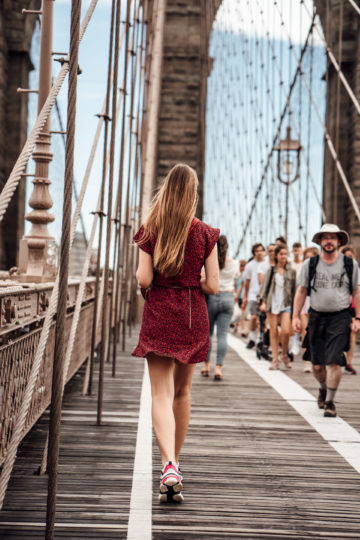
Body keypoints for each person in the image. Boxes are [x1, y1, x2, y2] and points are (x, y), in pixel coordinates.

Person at [132, 163, 220, 502]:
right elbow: (212, 285)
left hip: (159, 312)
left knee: (160, 395)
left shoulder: (150, 229)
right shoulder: (207, 234)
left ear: (166, 190)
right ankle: (175, 465)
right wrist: (191, 281)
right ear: (194, 194)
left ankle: (167, 462)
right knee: (182, 393)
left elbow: (143, 280)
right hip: (190, 313)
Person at [293, 224, 360, 418]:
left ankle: (330, 401)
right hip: (316, 316)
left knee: (333, 361)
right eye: (325, 237)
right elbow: (301, 290)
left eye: (333, 237)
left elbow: (356, 291)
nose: (329, 241)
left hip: (340, 316)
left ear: (339, 241)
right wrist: (296, 315)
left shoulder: (349, 264)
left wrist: (357, 318)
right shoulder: (310, 264)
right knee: (317, 365)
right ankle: (322, 388)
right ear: (320, 241)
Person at [201, 235, 238, 380]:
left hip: (212, 297)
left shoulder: (210, 263)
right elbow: (235, 281)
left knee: (208, 335)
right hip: (228, 298)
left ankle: (206, 366)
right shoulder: (234, 263)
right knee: (222, 335)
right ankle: (218, 369)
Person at [259, 244, 296, 370]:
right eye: (281, 254)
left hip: (285, 304)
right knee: (273, 332)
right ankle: (275, 359)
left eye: (285, 254)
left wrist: (296, 308)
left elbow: (294, 290)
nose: (284, 256)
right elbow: (264, 287)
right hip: (272, 303)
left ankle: (284, 354)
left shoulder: (291, 271)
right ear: (276, 256)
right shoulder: (271, 270)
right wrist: (263, 302)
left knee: (285, 331)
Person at [241, 243, 266, 348]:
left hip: (265, 295)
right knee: (254, 317)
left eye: (261, 250)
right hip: (253, 294)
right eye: (257, 251)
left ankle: (260, 339)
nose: (259, 253)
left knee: (263, 319)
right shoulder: (250, 265)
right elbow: (246, 283)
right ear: (254, 253)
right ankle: (252, 338)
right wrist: (245, 297)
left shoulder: (267, 264)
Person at [300, 246, 319, 373]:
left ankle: (316, 357)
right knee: (305, 331)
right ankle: (307, 360)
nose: (308, 260)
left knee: (315, 333)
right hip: (305, 302)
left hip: (317, 303)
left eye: (311, 257)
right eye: (306, 257)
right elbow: (299, 290)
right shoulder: (303, 270)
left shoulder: (323, 270)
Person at [340, 244, 358, 375]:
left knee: (352, 333)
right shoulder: (335, 271)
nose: (348, 259)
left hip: (352, 305)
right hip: (339, 305)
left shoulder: (356, 271)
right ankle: (338, 356)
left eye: (350, 257)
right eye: (345, 257)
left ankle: (348, 363)